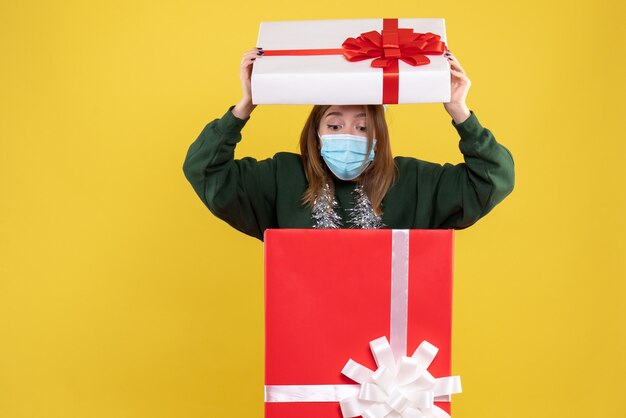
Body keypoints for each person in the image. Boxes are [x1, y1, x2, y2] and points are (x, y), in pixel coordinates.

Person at [182, 48, 515, 241]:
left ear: (378, 136)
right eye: (335, 124)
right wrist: (246, 105)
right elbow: (206, 171)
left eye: (362, 126)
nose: (348, 135)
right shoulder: (281, 177)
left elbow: (492, 179)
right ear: (316, 132)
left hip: (391, 344)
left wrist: (460, 111)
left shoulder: (414, 181)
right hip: (303, 333)